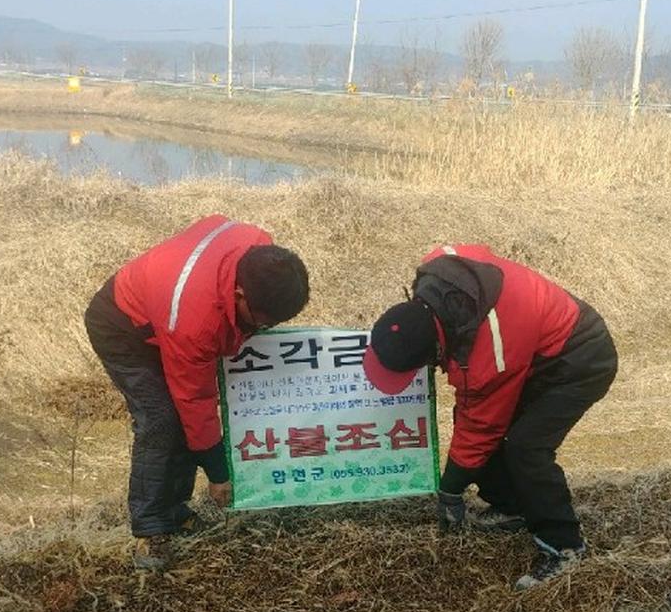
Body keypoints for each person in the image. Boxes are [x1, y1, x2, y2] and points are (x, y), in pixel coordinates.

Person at [362, 242, 617, 588]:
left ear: (435, 350)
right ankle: (511, 506)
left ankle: (564, 546)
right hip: (531, 346)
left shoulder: (488, 355)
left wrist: (449, 491)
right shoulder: (436, 269)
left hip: (579, 356)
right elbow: (465, 248)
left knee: (526, 446)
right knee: (482, 423)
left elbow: (481, 428)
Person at [85, 215, 309, 569]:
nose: (264, 330)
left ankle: (175, 509)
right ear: (238, 295)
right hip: (122, 325)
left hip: (166, 312)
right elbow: (196, 402)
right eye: (262, 322)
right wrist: (219, 475)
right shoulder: (194, 321)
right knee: (162, 420)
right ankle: (151, 528)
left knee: (182, 418)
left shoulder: (261, 252)